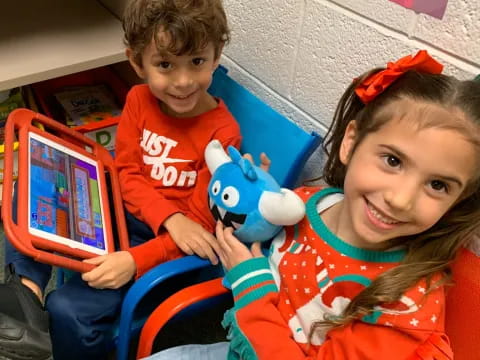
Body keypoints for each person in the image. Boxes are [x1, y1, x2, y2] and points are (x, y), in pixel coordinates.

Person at [145, 50, 480, 359]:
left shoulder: (406, 304)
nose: (401, 199)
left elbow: (253, 282)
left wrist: (249, 285)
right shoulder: (307, 204)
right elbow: (262, 251)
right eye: (393, 161)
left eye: (437, 185)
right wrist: (252, 197)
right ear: (350, 142)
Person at [0, 0, 240, 359]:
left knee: (67, 309)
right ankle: (26, 293)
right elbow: (126, 173)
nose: (184, 81)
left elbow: (199, 231)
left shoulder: (223, 133)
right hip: (123, 215)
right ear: (136, 62)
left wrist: (134, 259)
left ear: (217, 56)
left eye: (197, 61)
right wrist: (170, 217)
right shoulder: (138, 99)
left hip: (162, 251)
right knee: (32, 190)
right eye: (164, 65)